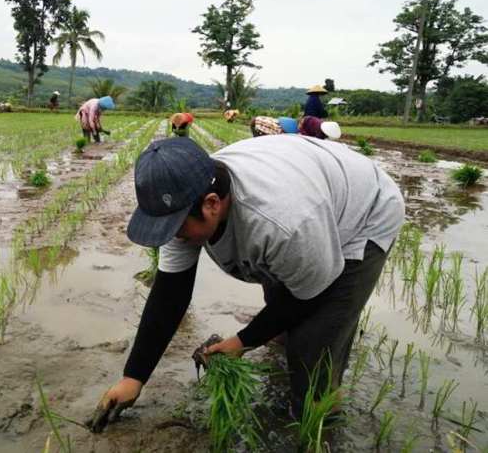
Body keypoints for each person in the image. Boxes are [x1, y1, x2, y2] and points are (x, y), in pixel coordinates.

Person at [86, 136, 405, 432]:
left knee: (314, 348)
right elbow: (170, 293)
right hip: (305, 195)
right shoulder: (182, 203)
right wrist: (134, 377)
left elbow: (307, 295)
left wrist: (242, 341)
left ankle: (321, 424)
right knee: (282, 320)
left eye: (177, 230)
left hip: (363, 215)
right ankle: (283, 363)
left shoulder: (281, 223)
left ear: (211, 204)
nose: (172, 238)